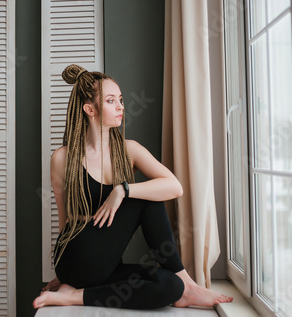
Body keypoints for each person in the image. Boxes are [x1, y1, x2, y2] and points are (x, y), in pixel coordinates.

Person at [33, 64, 233, 310]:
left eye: (120, 99)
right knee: (143, 199)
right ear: (89, 109)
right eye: (110, 100)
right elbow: (65, 221)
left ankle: (76, 295)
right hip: (76, 256)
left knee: (170, 287)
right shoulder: (62, 158)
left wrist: (123, 190)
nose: (120, 107)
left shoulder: (129, 150)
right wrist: (64, 274)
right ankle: (188, 285)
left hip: (107, 265)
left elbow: (174, 187)